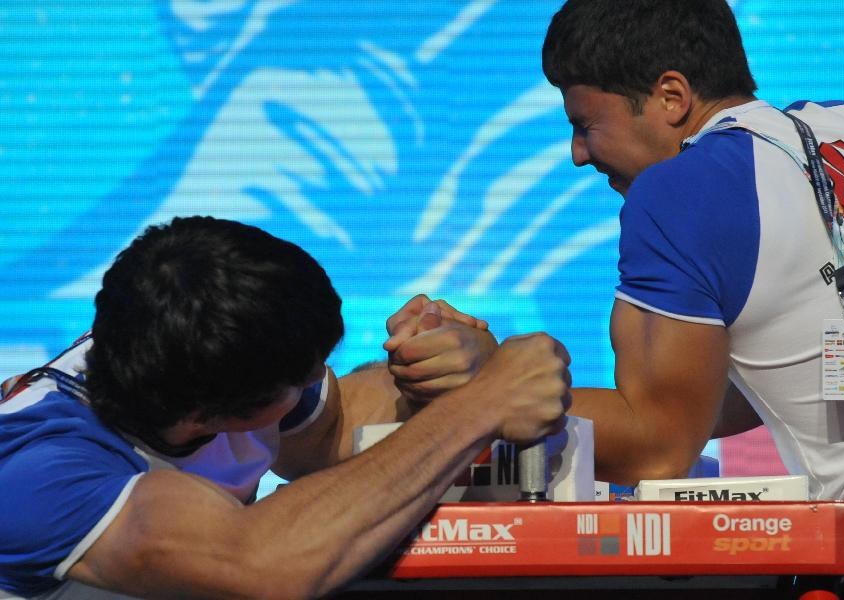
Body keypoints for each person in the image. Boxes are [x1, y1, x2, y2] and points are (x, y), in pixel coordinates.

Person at [0, 216, 571, 599]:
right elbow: (263, 563)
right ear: (209, 414)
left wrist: (434, 375)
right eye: (299, 381)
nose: (315, 385)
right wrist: (477, 407)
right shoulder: (40, 471)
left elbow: (337, 428)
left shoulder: (183, 354)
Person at [542, 0, 844, 596]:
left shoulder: (678, 191)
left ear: (671, 97)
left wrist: (476, 403)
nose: (578, 153)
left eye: (585, 124)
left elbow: (657, 447)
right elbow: (780, 376)